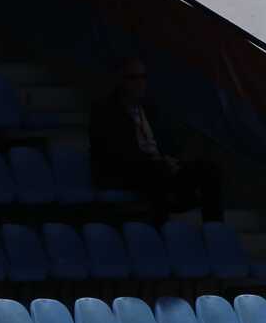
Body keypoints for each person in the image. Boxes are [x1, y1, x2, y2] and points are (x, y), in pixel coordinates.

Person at [89, 56, 222, 219]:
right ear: (121, 80)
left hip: (157, 166)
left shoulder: (149, 108)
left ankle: (213, 226)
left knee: (209, 169)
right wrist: (159, 161)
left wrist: (173, 159)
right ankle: (167, 213)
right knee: (158, 171)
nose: (140, 83)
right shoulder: (106, 111)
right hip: (126, 170)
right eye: (133, 78)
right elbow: (117, 152)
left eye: (143, 77)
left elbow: (166, 141)